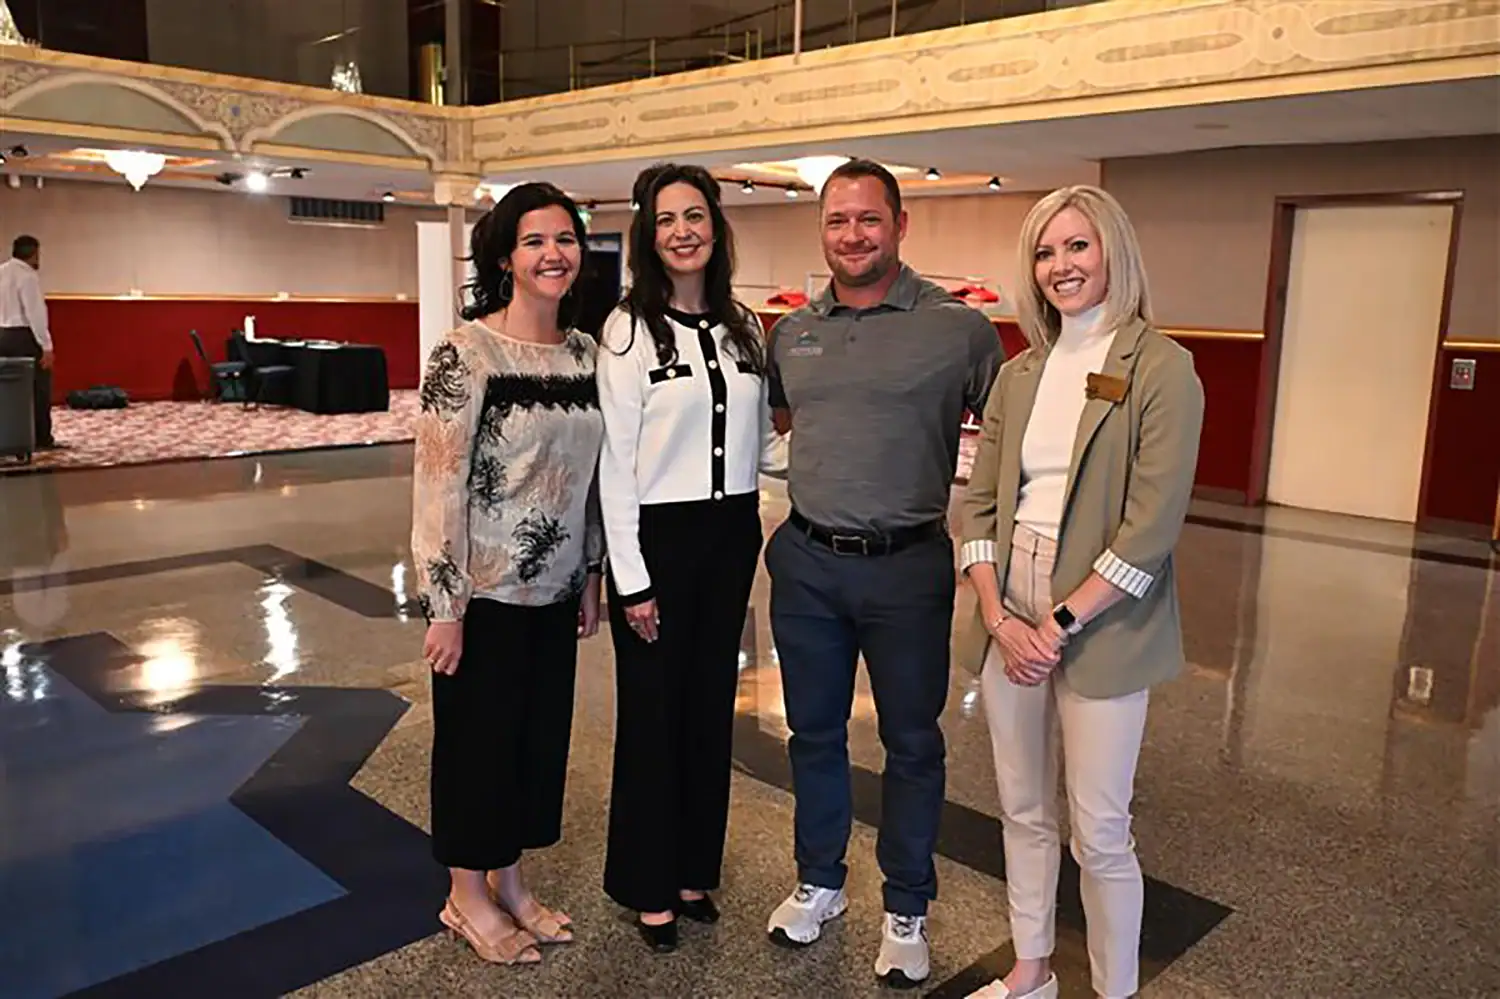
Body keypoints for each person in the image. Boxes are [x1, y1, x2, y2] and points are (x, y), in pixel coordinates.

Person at [956, 185, 1204, 999]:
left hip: (1101, 614)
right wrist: (999, 616)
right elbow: (984, 503)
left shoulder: (1164, 369)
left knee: (1099, 829)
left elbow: (1150, 530)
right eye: (1044, 251)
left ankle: (1115, 990)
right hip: (1011, 599)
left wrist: (1055, 624)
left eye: (1077, 246)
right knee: (1024, 811)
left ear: (1113, 252)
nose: (1060, 266)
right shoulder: (1021, 371)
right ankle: (1031, 970)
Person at [763, 158, 1003, 987]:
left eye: (869, 219)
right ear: (821, 230)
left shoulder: (958, 331)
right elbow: (780, 422)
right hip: (806, 566)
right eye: (837, 221)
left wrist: (995, 558)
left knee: (911, 744)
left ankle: (907, 904)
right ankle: (820, 879)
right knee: (813, 735)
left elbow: (1008, 444)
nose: (853, 235)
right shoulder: (791, 331)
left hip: (907, 570)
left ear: (901, 225)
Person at [411, 181, 605, 968]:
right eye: (535, 241)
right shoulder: (467, 351)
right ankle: (466, 894)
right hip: (484, 593)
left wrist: (589, 572)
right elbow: (437, 479)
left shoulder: (586, 352)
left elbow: (597, 474)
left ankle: (511, 880)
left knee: (534, 743)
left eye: (565, 238)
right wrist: (443, 602)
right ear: (505, 257)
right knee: (476, 747)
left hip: (553, 591)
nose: (553, 253)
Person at [596, 162, 787, 953]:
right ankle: (647, 883)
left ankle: (690, 871)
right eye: (668, 218)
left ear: (716, 228)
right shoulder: (627, 330)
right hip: (655, 541)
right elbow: (616, 461)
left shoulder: (746, 325)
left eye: (696, 216)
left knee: (710, 709)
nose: (683, 230)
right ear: (648, 234)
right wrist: (630, 578)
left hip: (731, 533)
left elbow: (764, 447)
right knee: (653, 714)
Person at [0, 235, 57, 449]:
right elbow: (35, 314)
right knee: (38, 390)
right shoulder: (28, 276)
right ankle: (41, 437)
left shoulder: (1, 272)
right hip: (24, 337)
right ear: (33, 253)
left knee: (9, 391)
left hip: (2, 335)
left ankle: (11, 435)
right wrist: (47, 346)